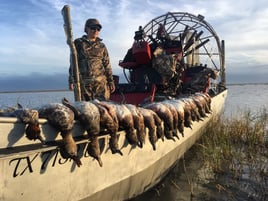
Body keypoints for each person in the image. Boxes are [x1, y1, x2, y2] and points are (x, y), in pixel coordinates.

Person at [69, 18, 115, 101]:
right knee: (86, 110)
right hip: (84, 85)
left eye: (98, 29)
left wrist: (111, 81)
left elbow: (107, 65)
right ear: (86, 28)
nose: (96, 30)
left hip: (101, 85)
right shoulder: (78, 43)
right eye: (93, 28)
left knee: (103, 110)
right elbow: (73, 63)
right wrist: (71, 80)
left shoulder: (102, 46)